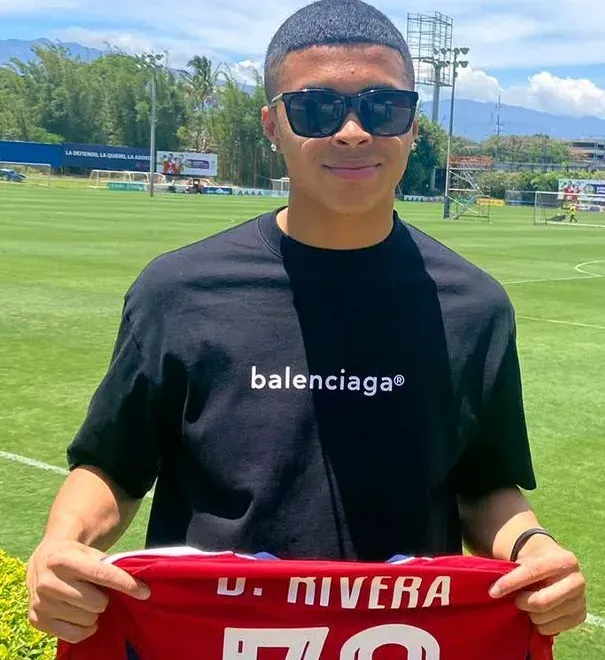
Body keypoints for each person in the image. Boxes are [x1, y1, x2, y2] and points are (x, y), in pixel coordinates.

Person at [27, 0, 586, 647]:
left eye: (382, 107)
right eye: (315, 108)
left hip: (397, 638)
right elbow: (113, 468)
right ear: (271, 124)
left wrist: (535, 548)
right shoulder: (178, 289)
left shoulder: (473, 305)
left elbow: (483, 484)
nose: (351, 130)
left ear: (411, 125)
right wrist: (59, 547)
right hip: (217, 638)